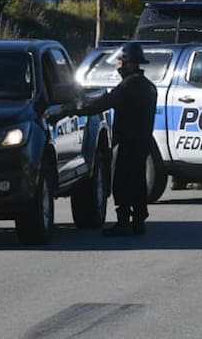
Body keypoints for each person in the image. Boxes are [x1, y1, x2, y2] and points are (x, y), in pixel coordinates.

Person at [64, 42, 158, 236]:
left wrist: (77, 110)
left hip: (126, 142)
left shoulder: (127, 86)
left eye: (121, 61)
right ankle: (139, 221)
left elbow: (103, 104)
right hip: (142, 142)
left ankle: (124, 222)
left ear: (131, 63)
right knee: (138, 181)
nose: (118, 66)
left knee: (122, 181)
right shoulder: (149, 87)